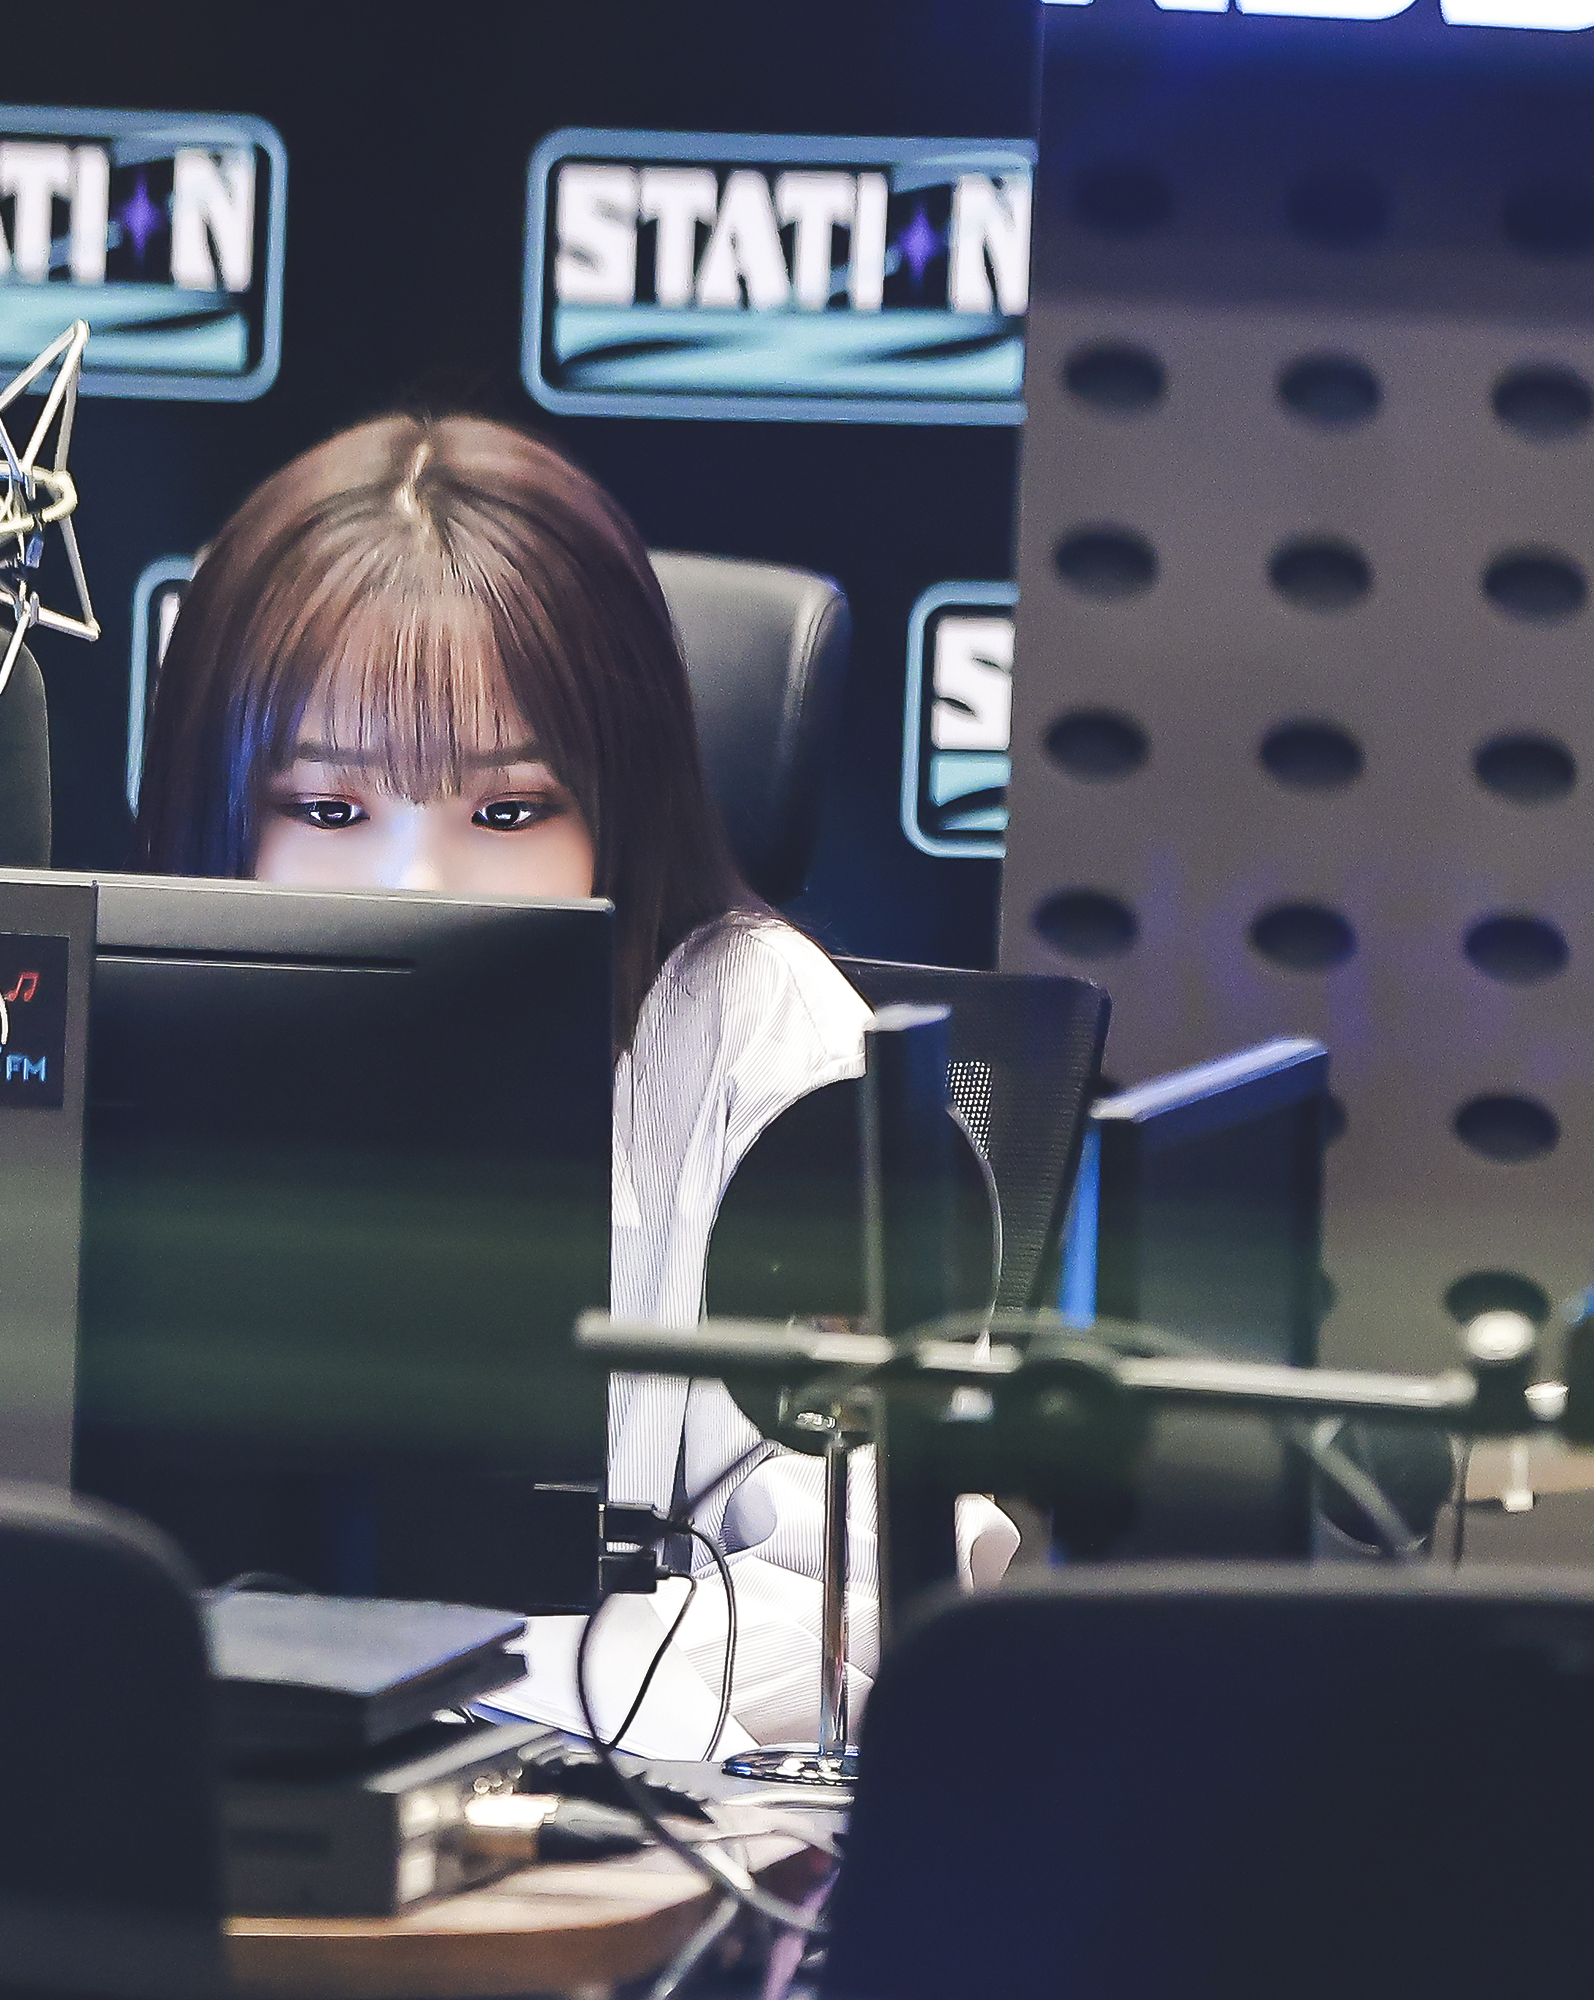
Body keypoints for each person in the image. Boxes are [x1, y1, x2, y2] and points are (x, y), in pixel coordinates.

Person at [137, 412, 1012, 1747]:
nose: (420, 886)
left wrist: (493, 1672)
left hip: (589, 1821)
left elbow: (878, 1587)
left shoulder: (762, 1035)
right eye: (328, 811)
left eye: (505, 812)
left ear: (620, 806)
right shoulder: (105, 1040)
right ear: (219, 811)